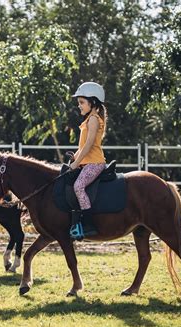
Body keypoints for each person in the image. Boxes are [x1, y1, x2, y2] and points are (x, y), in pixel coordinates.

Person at [69, 82, 108, 239]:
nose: (79, 106)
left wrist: (76, 163)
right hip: (87, 162)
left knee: (78, 186)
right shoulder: (87, 120)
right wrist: (74, 159)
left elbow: (89, 144)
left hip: (95, 162)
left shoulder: (93, 119)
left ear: (92, 102)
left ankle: (89, 225)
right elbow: (81, 147)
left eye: (82, 102)